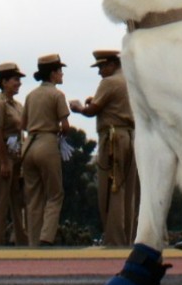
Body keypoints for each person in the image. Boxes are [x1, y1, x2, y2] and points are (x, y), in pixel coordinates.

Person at [70, 50, 138, 246]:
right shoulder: (130, 81)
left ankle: (114, 239)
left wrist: (78, 107)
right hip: (130, 136)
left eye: (101, 67)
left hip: (113, 138)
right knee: (128, 191)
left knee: (111, 189)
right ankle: (127, 237)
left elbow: (92, 111)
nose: (100, 72)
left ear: (111, 64)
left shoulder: (109, 82)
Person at [21, 54, 70, 246]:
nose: (62, 74)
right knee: (55, 194)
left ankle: (33, 241)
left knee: (33, 197)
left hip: (29, 144)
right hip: (47, 142)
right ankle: (46, 236)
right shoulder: (57, 95)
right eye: (59, 71)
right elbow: (65, 126)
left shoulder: (31, 95)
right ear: (52, 73)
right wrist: (58, 135)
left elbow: (23, 124)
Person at [0, 63, 28, 246]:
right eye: (15, 80)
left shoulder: (17, 105)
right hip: (1, 156)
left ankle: (21, 241)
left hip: (15, 156)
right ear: (4, 82)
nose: (18, 83)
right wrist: (3, 162)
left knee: (18, 203)